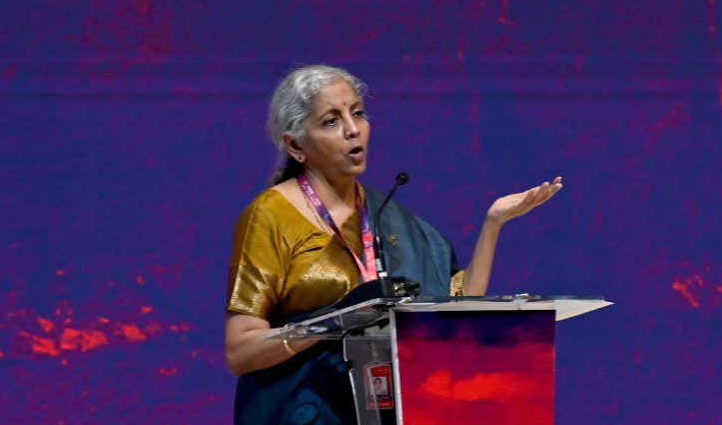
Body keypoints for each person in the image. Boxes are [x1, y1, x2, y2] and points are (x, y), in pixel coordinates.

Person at [224, 64, 563, 423]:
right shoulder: (271, 215)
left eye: (358, 113)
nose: (353, 130)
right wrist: (332, 322)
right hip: (301, 411)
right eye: (331, 121)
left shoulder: (388, 216)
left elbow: (456, 305)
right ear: (295, 145)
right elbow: (240, 349)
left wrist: (492, 225)